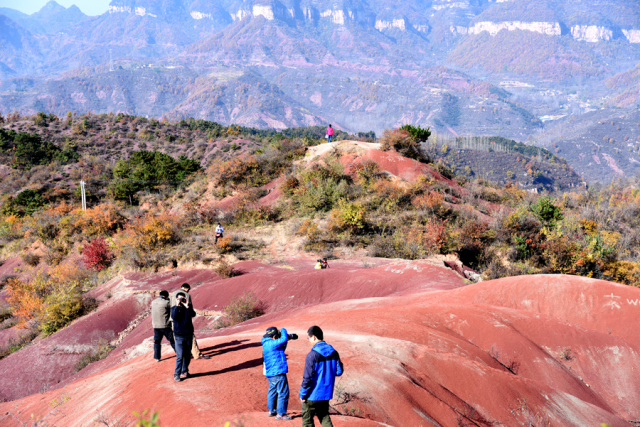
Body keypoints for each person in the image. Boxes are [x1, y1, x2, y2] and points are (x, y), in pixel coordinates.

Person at [300, 326, 343, 427]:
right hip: (325, 394)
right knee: (324, 417)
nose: (309, 340)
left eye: (309, 338)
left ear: (314, 337)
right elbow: (339, 371)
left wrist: (303, 394)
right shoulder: (334, 352)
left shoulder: (312, 355)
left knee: (307, 422)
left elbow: (307, 378)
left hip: (311, 395)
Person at [261, 327, 298, 421]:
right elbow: (283, 339)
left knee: (272, 391)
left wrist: (286, 340)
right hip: (278, 372)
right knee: (283, 393)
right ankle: (281, 414)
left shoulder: (266, 344)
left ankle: (272, 411)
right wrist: (283, 330)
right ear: (274, 336)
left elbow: (281, 348)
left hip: (271, 374)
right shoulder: (272, 343)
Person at [170, 283, 209, 360]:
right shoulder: (186, 295)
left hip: (174, 318)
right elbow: (189, 308)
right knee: (190, 336)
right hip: (184, 319)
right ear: (187, 289)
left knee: (178, 338)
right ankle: (197, 355)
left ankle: (182, 355)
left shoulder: (172, 294)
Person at [171, 292, 196, 382]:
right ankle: (176, 374)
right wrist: (177, 305)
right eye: (179, 299)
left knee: (187, 355)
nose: (181, 300)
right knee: (180, 356)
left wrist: (187, 306)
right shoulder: (174, 308)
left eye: (182, 298)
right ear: (176, 300)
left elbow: (193, 314)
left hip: (188, 334)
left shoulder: (188, 308)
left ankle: (184, 371)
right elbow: (174, 317)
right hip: (179, 336)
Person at [151, 290, 175, 362]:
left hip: (156, 326)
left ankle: (157, 357)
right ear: (165, 296)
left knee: (157, 342)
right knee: (172, 340)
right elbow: (172, 308)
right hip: (165, 325)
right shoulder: (166, 302)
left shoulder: (153, 302)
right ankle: (180, 354)